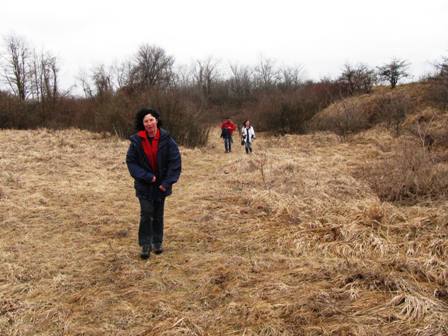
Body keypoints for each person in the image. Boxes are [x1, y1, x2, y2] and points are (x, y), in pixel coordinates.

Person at [126, 108, 181, 260]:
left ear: (157, 120)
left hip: (161, 185)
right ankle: (145, 244)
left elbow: (175, 163)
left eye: (151, 120)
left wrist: (167, 182)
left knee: (158, 214)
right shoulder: (136, 141)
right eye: (146, 121)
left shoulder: (167, 140)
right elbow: (131, 162)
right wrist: (146, 176)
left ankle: (157, 242)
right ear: (142, 124)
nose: (149, 123)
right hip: (144, 184)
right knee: (146, 213)